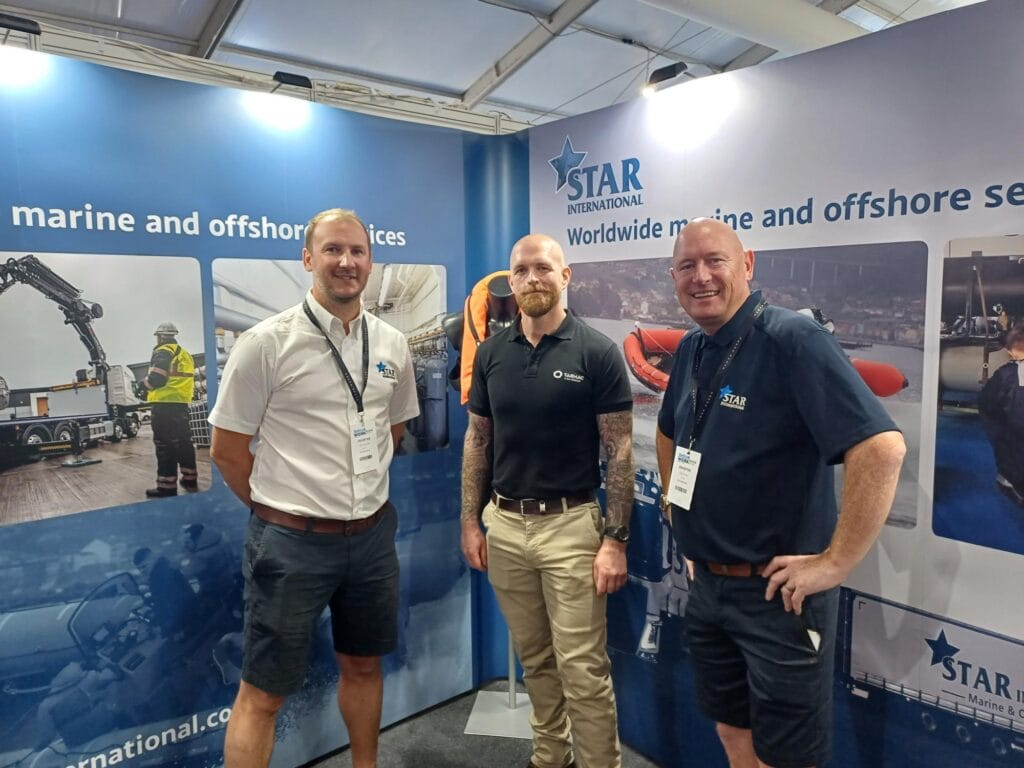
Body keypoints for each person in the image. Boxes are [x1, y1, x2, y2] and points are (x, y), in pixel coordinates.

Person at [655, 218, 906, 768]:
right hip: (708, 585)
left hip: (778, 599)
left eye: (714, 261)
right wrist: (679, 514)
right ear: (673, 275)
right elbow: (670, 431)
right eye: (686, 266)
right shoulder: (696, 347)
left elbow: (882, 449)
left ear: (747, 264)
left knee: (787, 757)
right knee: (730, 728)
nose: (701, 277)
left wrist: (836, 561)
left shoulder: (793, 339)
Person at [208, 208, 419, 768]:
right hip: (290, 544)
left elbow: (391, 428)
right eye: (332, 250)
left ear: (370, 261)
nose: (346, 262)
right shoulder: (266, 344)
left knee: (364, 665)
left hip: (372, 538)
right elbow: (227, 452)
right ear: (308, 259)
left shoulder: (393, 344)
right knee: (264, 692)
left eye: (357, 251)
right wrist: (280, 516)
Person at [461, 233, 635, 768]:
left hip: (572, 528)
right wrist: (471, 521)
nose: (532, 278)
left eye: (543, 268)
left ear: (565, 277)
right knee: (535, 659)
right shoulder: (492, 353)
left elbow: (621, 448)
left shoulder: (596, 352)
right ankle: (549, 756)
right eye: (521, 270)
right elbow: (478, 440)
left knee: (582, 669)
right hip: (507, 528)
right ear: (510, 282)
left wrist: (616, 539)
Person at [139, 322, 198, 497]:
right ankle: (190, 477)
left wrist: (143, 386)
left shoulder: (163, 351)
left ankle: (166, 487)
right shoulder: (185, 354)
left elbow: (157, 378)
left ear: (160, 336)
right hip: (181, 404)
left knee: (165, 444)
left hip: (164, 404)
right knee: (184, 442)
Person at [978, 326, 1024, 506]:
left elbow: (987, 403)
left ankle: (1013, 483)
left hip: (1013, 431)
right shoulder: (1007, 375)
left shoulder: (1005, 375)